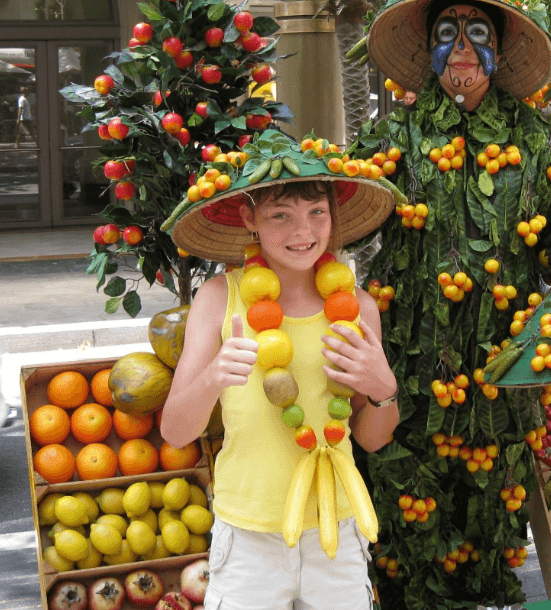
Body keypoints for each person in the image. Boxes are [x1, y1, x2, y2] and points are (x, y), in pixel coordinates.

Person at [353, 0, 551, 609]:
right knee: (407, 512)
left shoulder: (538, 139)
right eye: (446, 33)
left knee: (494, 514)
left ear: (500, 49)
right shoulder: (393, 140)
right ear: (428, 50)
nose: (461, 45)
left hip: (502, 365)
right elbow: (345, 214)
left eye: (477, 33)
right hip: (410, 371)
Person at [163, 136, 397, 610]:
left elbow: (374, 439)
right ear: (250, 218)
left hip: (337, 529)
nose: (302, 230)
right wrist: (212, 377)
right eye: (280, 215)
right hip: (248, 536)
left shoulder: (357, 309)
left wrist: (383, 391)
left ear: (333, 215)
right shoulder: (217, 300)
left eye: (316, 212)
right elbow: (174, 431)